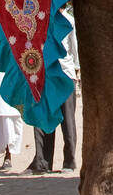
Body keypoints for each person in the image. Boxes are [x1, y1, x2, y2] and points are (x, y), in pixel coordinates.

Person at [28, 11, 79, 174]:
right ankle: (43, 161)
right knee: (44, 117)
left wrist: (75, 70)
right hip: (46, 74)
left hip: (65, 73)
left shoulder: (70, 21)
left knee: (68, 120)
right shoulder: (41, 18)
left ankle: (69, 162)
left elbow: (74, 48)